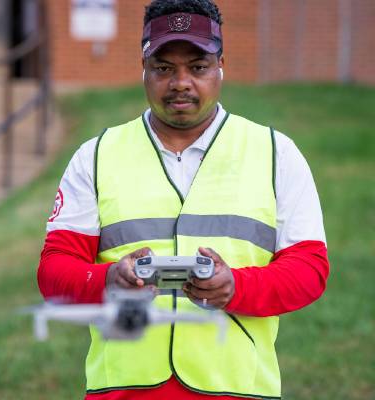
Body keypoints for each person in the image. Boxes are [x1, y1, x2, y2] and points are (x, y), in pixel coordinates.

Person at [38, 0, 329, 399]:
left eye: (197, 67)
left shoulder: (276, 153)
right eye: (163, 68)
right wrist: (109, 280)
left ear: (221, 65)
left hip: (238, 389)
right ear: (143, 68)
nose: (180, 83)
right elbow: (54, 271)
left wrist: (235, 288)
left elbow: (310, 270)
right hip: (123, 390)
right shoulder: (97, 155)